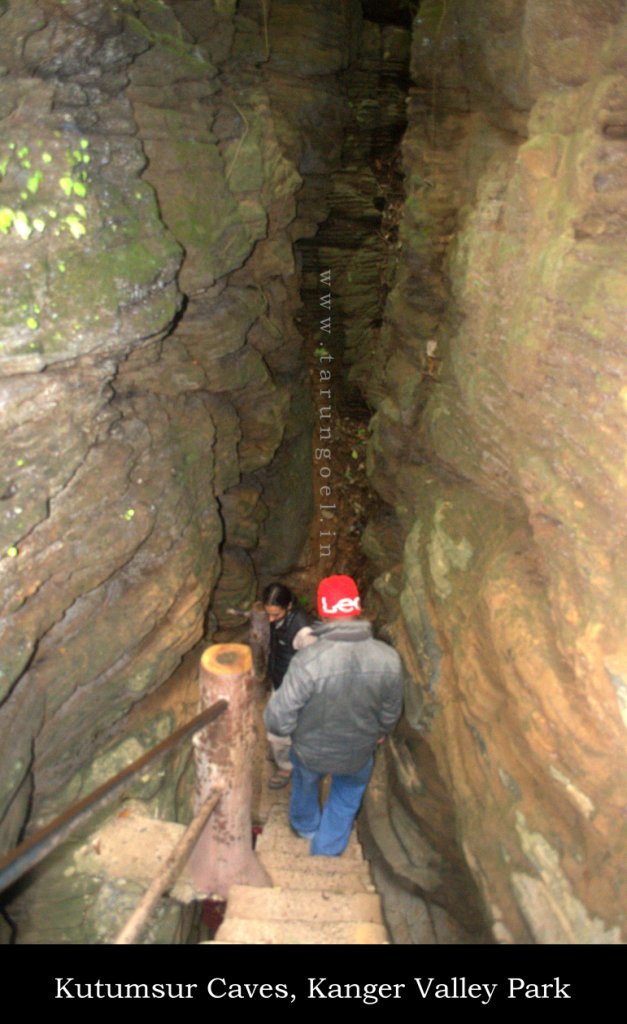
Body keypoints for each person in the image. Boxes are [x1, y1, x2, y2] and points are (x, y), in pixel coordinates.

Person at [264, 574, 403, 855]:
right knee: (346, 797)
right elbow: (391, 710)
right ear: (357, 608)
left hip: (309, 749)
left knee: (305, 783)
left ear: (323, 612)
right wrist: (379, 733)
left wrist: (294, 731)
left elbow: (278, 718)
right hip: (358, 749)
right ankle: (326, 850)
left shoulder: (307, 662)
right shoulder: (388, 658)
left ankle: (305, 827)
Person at [262, 582, 313, 789]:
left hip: (293, 689)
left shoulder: (304, 632)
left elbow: (316, 663)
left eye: (276, 614)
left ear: (289, 606)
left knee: (278, 731)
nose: (270, 620)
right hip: (279, 679)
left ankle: (286, 765)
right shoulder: (277, 619)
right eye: (268, 614)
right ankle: (282, 752)